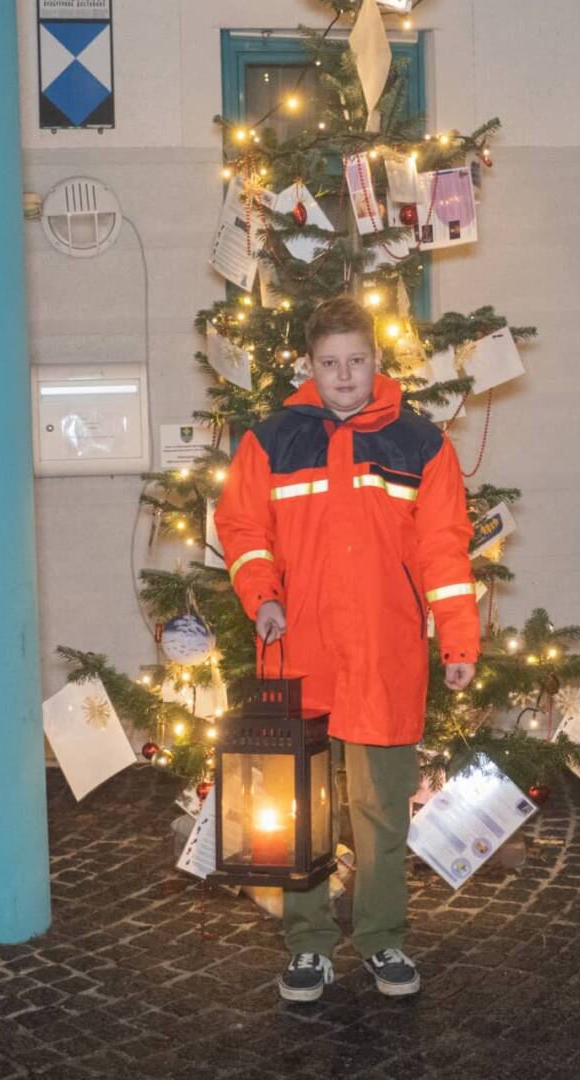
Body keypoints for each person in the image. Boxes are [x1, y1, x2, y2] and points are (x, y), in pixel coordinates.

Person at [215, 295, 479, 1003]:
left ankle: (383, 939)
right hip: (297, 653)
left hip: (384, 656)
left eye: (355, 361)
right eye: (329, 363)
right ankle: (307, 946)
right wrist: (262, 596)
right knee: (297, 814)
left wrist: (458, 641)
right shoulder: (271, 440)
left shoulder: (421, 445)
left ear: (376, 361)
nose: (343, 374)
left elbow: (445, 551)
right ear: (308, 365)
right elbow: (242, 530)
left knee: (382, 813)